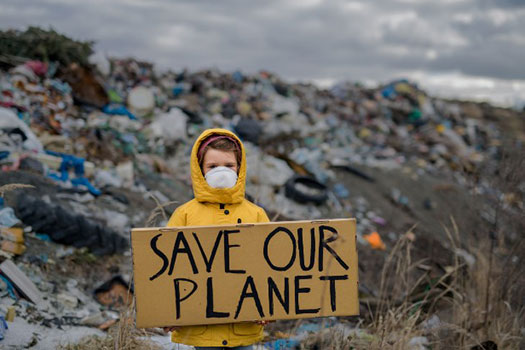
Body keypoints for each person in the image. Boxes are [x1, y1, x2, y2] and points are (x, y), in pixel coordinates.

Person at [164, 128, 271, 349]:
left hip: (244, 326)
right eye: (212, 166)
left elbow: (270, 269)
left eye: (229, 165)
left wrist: (269, 307)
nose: (221, 172)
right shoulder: (184, 215)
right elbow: (168, 269)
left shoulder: (257, 214)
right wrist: (168, 311)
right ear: (199, 170)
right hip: (203, 328)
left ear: (239, 169)